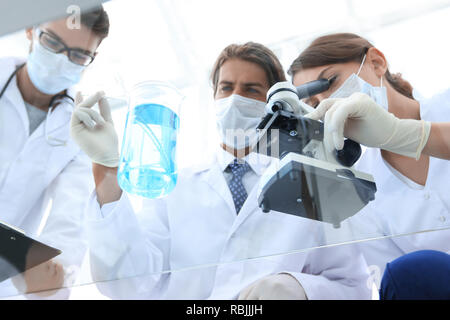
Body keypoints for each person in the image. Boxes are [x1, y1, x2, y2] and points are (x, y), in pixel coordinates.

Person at [70, 42, 372, 300]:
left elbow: (353, 287)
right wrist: (106, 168)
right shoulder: (175, 187)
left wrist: (299, 288)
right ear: (213, 97)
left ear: (277, 102)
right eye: (226, 88)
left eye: (251, 90)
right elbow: (127, 281)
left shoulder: (310, 182)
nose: (234, 99)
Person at [288, 33, 450, 300]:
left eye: (330, 82)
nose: (328, 103)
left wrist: (399, 133)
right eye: (314, 104)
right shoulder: (359, 189)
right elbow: (399, 283)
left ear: (376, 62)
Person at [0, 7, 110, 298]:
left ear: (91, 60)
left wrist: (52, 272)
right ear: (29, 30)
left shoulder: (83, 128)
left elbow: (70, 218)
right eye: (52, 43)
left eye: (77, 55)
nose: (62, 60)